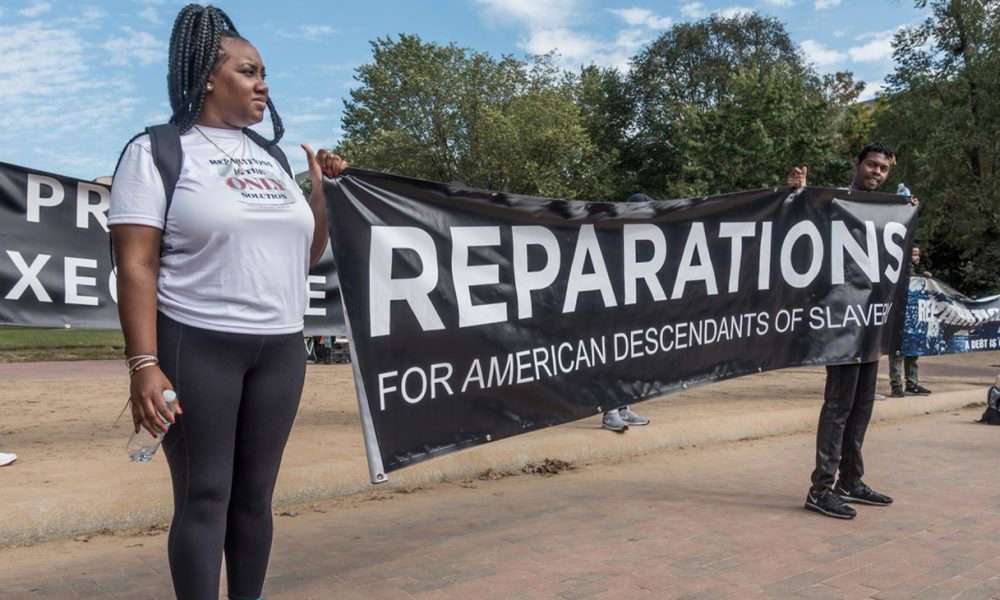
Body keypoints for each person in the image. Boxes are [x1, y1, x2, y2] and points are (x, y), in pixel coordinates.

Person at [109, 5, 345, 599]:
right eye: (248, 71)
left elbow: (304, 255)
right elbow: (135, 264)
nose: (263, 84)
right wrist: (143, 364)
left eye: (264, 73)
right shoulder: (157, 151)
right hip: (197, 344)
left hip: (280, 350)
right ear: (209, 78)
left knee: (255, 498)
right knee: (205, 494)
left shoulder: (272, 158)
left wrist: (321, 196)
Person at [787, 143, 918, 520]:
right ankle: (821, 488)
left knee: (862, 405)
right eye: (872, 165)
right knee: (839, 406)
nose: (877, 172)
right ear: (858, 165)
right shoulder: (835, 201)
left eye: (883, 168)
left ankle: (850, 479)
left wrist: (907, 222)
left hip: (872, 321)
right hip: (841, 320)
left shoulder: (888, 212)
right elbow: (797, 224)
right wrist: (795, 193)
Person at [890, 245, 932, 397]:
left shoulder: (916, 274)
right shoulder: (896, 271)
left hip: (913, 319)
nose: (917, 257)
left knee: (912, 352)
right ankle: (897, 386)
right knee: (898, 353)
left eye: (918, 254)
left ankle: (911, 384)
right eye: (914, 254)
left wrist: (924, 278)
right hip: (899, 318)